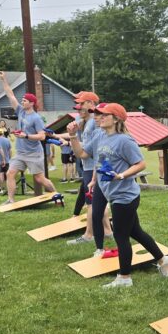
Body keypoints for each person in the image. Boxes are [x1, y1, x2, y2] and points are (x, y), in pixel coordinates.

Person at [67, 101, 168, 288]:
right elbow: (83, 154)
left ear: (116, 119)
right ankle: (163, 260)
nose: (98, 117)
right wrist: (73, 136)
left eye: (103, 114)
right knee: (136, 232)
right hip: (112, 193)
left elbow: (141, 164)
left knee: (121, 236)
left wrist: (121, 175)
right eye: (97, 114)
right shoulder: (100, 135)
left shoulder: (125, 140)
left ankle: (125, 277)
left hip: (125, 196)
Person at [0, 71, 57, 203]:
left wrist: (26, 136)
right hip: (21, 152)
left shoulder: (36, 118)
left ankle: (56, 195)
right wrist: (3, 80)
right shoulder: (20, 111)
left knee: (39, 179)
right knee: (10, 173)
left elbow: (42, 137)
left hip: (34, 153)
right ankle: (11, 200)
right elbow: (10, 95)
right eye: (22, 100)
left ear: (32, 103)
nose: (22, 102)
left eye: (24, 101)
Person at [66, 91, 112, 247]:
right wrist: (67, 138)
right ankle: (107, 231)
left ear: (92, 104)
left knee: (91, 203)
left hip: (91, 167)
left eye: (82, 104)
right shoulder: (86, 121)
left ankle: (88, 234)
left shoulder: (95, 122)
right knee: (97, 201)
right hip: (89, 167)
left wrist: (72, 141)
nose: (79, 107)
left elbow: (87, 151)